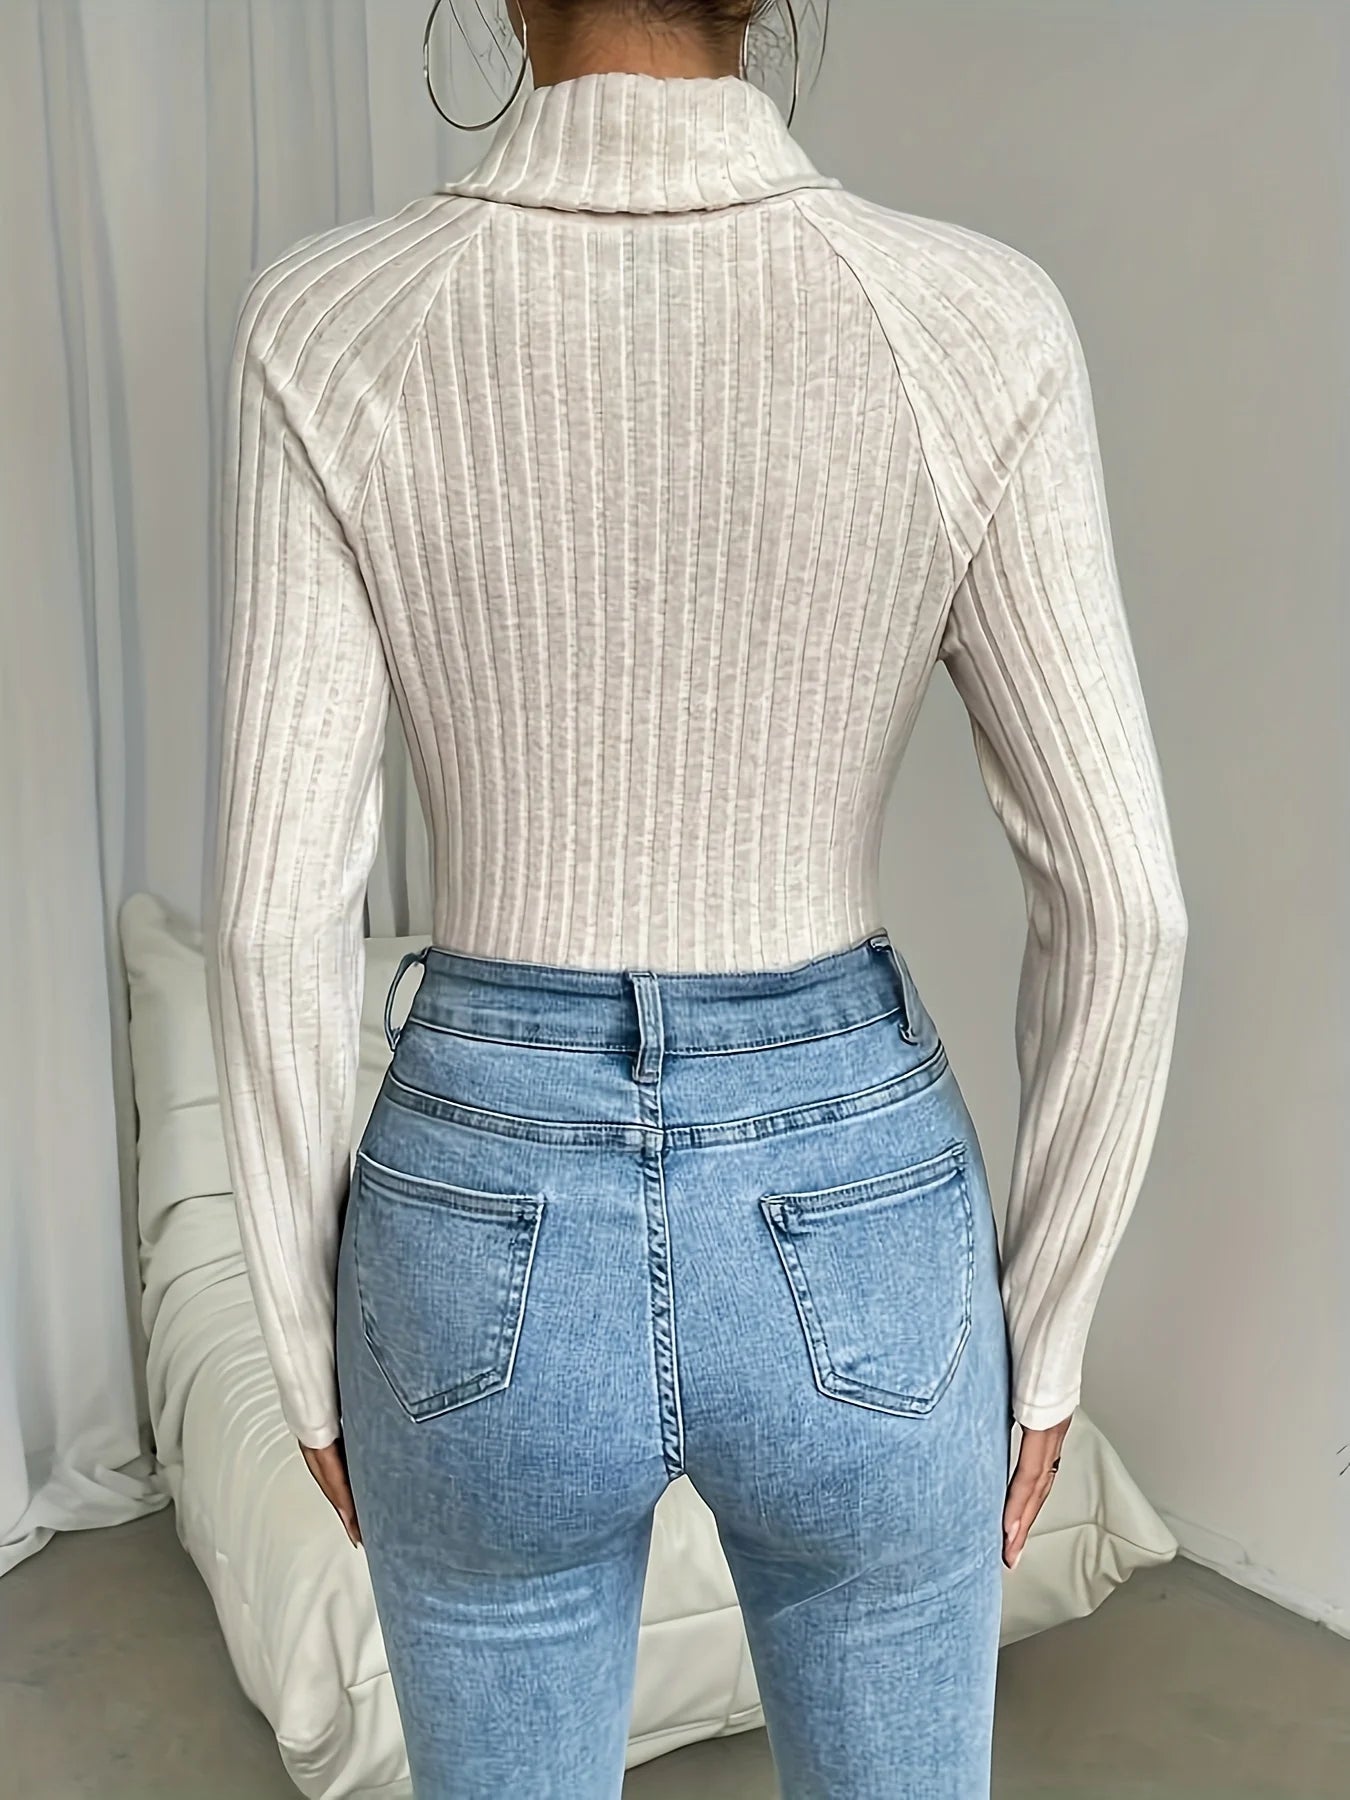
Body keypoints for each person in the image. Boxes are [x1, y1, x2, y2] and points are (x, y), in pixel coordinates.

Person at [203, 1, 1188, 1793]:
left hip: (478, 1204)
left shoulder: (331, 323)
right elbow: (1126, 908)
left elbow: (277, 920)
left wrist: (303, 1350)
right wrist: (1042, 1339)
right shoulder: (973, 322)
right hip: (854, 1194)